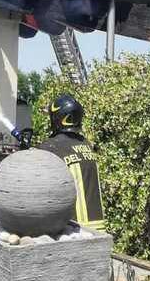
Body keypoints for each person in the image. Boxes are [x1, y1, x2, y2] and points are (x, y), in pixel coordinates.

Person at [35, 94, 106, 231]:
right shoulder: (87, 145)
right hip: (98, 226)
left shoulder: (52, 146)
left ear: (57, 119)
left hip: (75, 228)